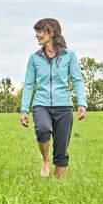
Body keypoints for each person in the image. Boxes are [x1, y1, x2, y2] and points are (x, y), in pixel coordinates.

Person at [20, 18, 87, 179]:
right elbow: (29, 84)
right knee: (42, 130)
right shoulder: (34, 58)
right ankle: (45, 159)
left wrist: (81, 103)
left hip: (64, 105)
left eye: (40, 31)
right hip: (41, 104)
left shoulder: (69, 56)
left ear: (51, 32)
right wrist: (24, 109)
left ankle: (58, 187)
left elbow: (77, 79)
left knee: (61, 148)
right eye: (36, 31)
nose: (37, 35)